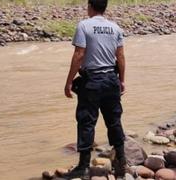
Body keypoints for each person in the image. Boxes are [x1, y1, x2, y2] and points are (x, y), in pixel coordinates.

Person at [64, 0, 127, 179]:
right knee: (114, 120)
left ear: (90, 6)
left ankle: (83, 166)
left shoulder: (84, 26)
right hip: (111, 80)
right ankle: (121, 164)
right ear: (104, 7)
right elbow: (120, 56)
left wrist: (69, 82)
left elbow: (79, 55)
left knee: (86, 121)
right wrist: (122, 80)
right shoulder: (115, 27)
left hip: (91, 82)